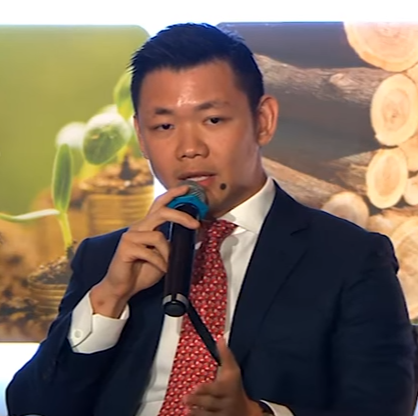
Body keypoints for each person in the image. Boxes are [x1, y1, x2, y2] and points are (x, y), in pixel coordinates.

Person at [6, 23, 416, 416]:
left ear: (263, 121)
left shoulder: (349, 257)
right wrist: (110, 298)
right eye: (164, 125)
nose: (189, 148)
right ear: (141, 137)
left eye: (213, 120)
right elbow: (30, 405)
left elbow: (383, 406)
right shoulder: (107, 260)